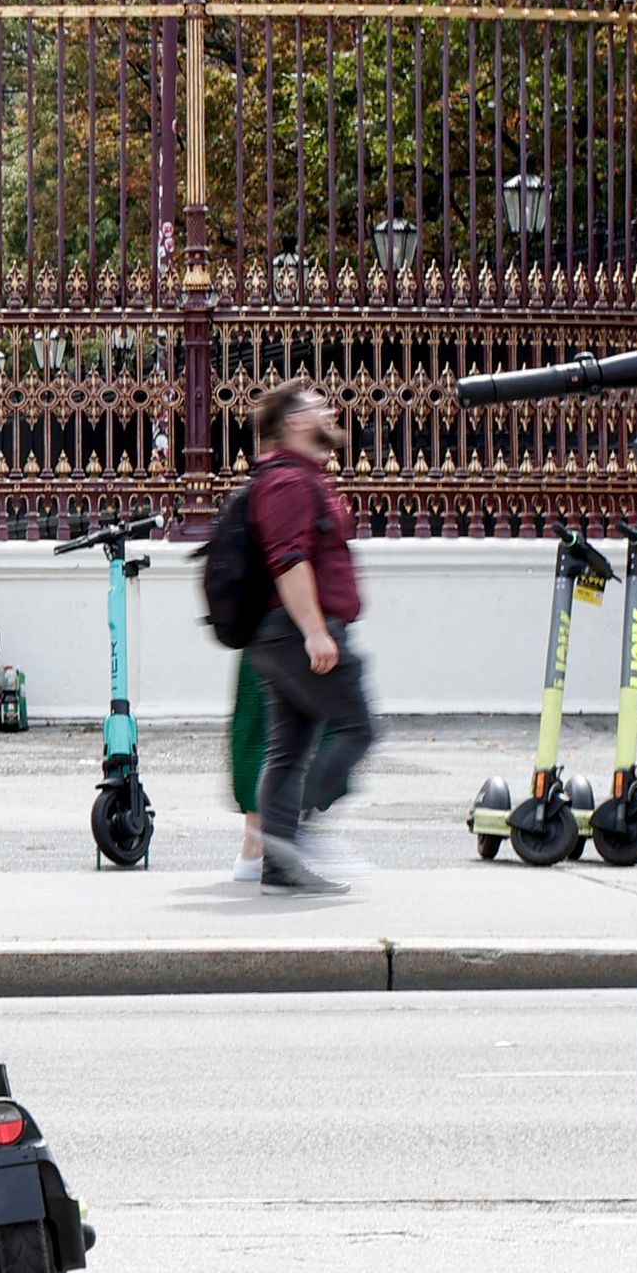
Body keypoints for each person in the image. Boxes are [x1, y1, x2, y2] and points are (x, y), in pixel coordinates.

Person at [240, 379, 372, 894]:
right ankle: (303, 834)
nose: (329, 411)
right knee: (357, 729)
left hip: (278, 635)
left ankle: (279, 867)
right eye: (318, 406)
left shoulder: (291, 476)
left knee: (288, 750)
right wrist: (316, 632)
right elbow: (289, 560)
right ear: (296, 421)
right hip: (296, 632)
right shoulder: (291, 481)